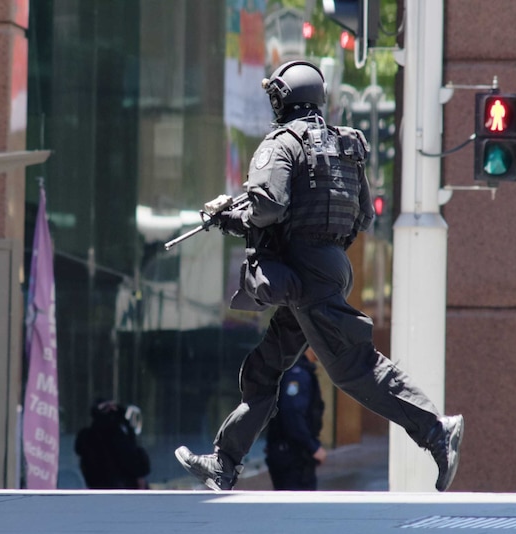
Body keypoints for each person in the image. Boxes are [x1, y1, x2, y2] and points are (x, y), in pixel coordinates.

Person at [175, 60, 464, 493]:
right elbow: (363, 217)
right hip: (323, 268)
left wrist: (231, 215)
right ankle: (225, 461)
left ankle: (436, 431)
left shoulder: (282, 144)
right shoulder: (342, 146)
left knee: (353, 367)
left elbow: (269, 206)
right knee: (265, 367)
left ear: (283, 98)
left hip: (305, 272)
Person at [265, 347, 326, 490]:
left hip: (289, 454)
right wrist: (313, 448)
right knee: (298, 508)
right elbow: (292, 415)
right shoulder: (297, 374)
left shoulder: (298, 370)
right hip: (292, 457)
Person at [75, 399, 150, 489]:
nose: (112, 409)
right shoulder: (114, 434)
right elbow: (135, 464)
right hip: (119, 492)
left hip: (106, 492)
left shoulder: (121, 431)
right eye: (108, 407)